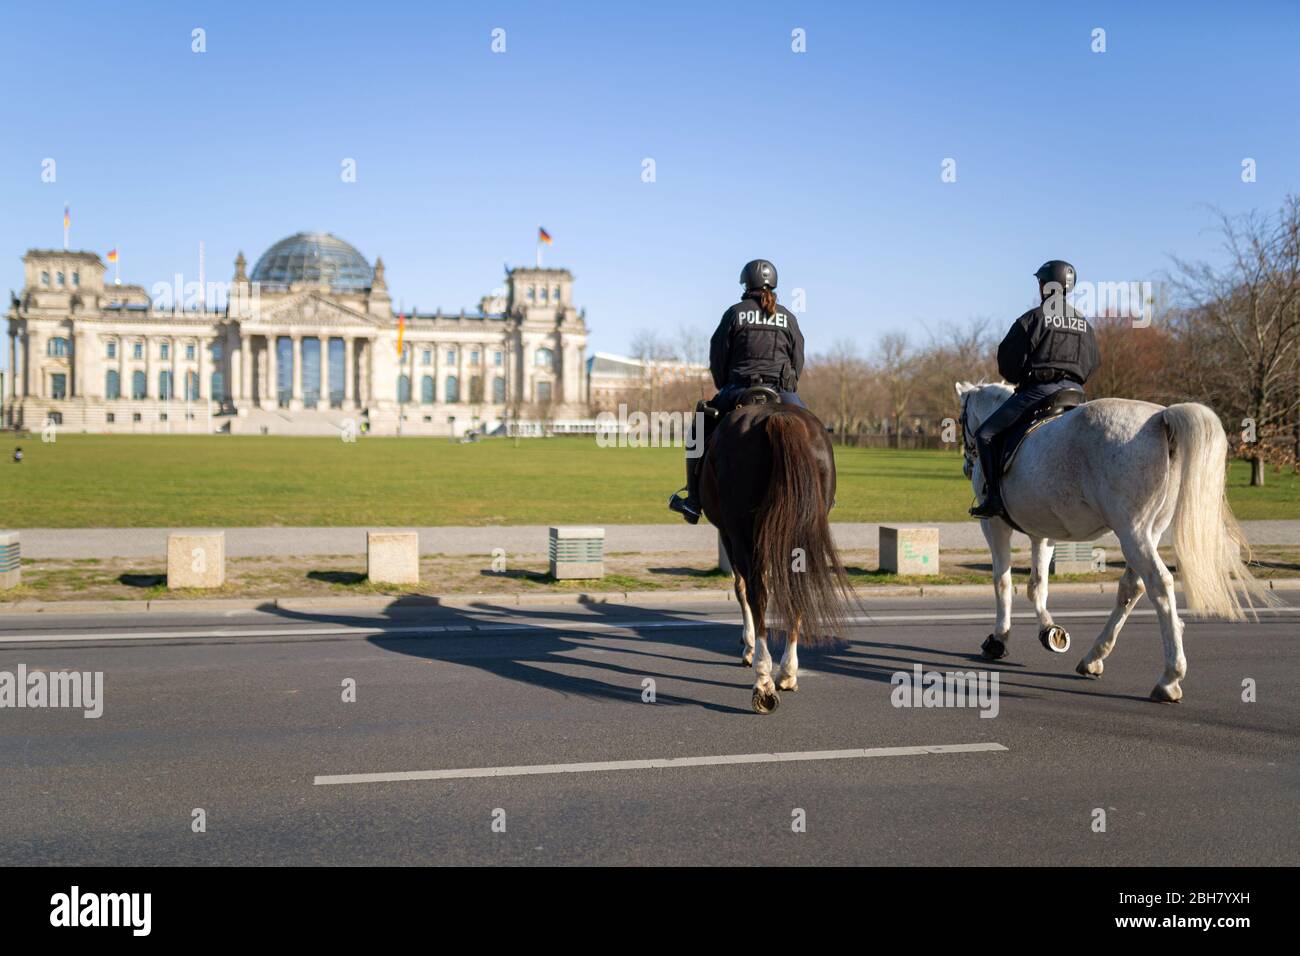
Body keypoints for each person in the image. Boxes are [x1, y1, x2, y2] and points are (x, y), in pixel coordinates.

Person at [668, 259, 806, 523]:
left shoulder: (734, 313)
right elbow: (797, 360)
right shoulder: (789, 317)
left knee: (699, 426)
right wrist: (788, 387)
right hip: (782, 392)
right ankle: (827, 494)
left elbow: (718, 357)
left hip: (739, 391)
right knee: (813, 427)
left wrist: (724, 384)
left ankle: (693, 502)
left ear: (746, 284)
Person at [969, 259, 1101, 519]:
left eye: (1040, 282)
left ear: (1045, 286)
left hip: (1039, 394)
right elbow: (1094, 362)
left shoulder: (1032, 319)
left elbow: (1007, 365)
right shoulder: (1084, 324)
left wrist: (1025, 377)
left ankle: (993, 499)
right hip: (1076, 394)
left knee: (985, 434)